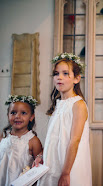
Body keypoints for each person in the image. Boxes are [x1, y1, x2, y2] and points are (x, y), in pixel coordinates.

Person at [35, 53, 92, 186]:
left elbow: (74, 141)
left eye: (65, 73)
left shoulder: (78, 105)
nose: (59, 77)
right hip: (53, 161)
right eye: (56, 73)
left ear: (76, 79)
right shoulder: (58, 104)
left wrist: (66, 173)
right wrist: (40, 155)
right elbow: (53, 138)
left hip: (69, 166)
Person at [0, 95, 43, 185]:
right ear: (8, 115)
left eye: (23, 113)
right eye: (13, 113)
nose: (17, 116)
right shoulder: (3, 136)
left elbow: (39, 167)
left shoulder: (33, 141)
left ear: (31, 117)